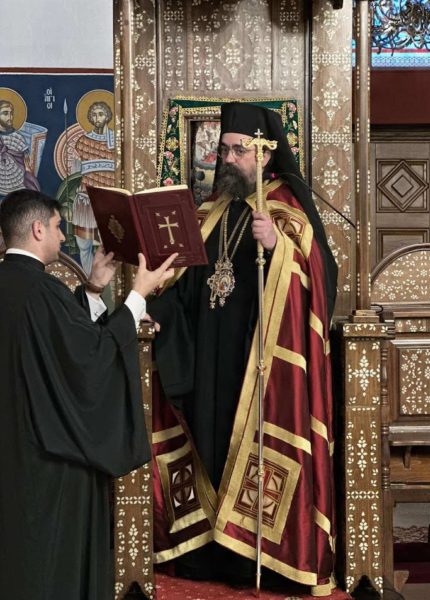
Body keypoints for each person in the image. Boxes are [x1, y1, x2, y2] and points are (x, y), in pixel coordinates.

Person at [149, 102, 338, 596]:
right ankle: (205, 554)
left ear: (264, 153)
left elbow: (320, 283)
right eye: (224, 150)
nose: (228, 159)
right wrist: (156, 304)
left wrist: (277, 248)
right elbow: (186, 289)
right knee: (209, 446)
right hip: (208, 364)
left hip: (259, 368)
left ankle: (260, 558)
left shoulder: (286, 211)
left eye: (238, 150)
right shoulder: (209, 214)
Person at [0, 188, 176, 600]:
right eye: (58, 227)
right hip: (48, 463)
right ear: (38, 229)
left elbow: (59, 346)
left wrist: (94, 291)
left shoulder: (17, 286)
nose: (63, 236)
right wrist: (138, 295)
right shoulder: (42, 291)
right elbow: (91, 361)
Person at [73, 100, 115, 273]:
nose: (98, 118)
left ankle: (107, 282)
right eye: (94, 115)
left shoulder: (115, 141)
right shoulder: (82, 142)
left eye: (101, 114)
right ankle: (88, 278)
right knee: (84, 245)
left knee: (110, 245)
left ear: (107, 116)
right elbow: (75, 171)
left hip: (109, 201)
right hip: (86, 199)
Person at [0, 99, 40, 196]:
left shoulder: (18, 138)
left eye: (11, 113)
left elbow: (27, 164)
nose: (10, 117)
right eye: (5, 113)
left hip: (18, 185)